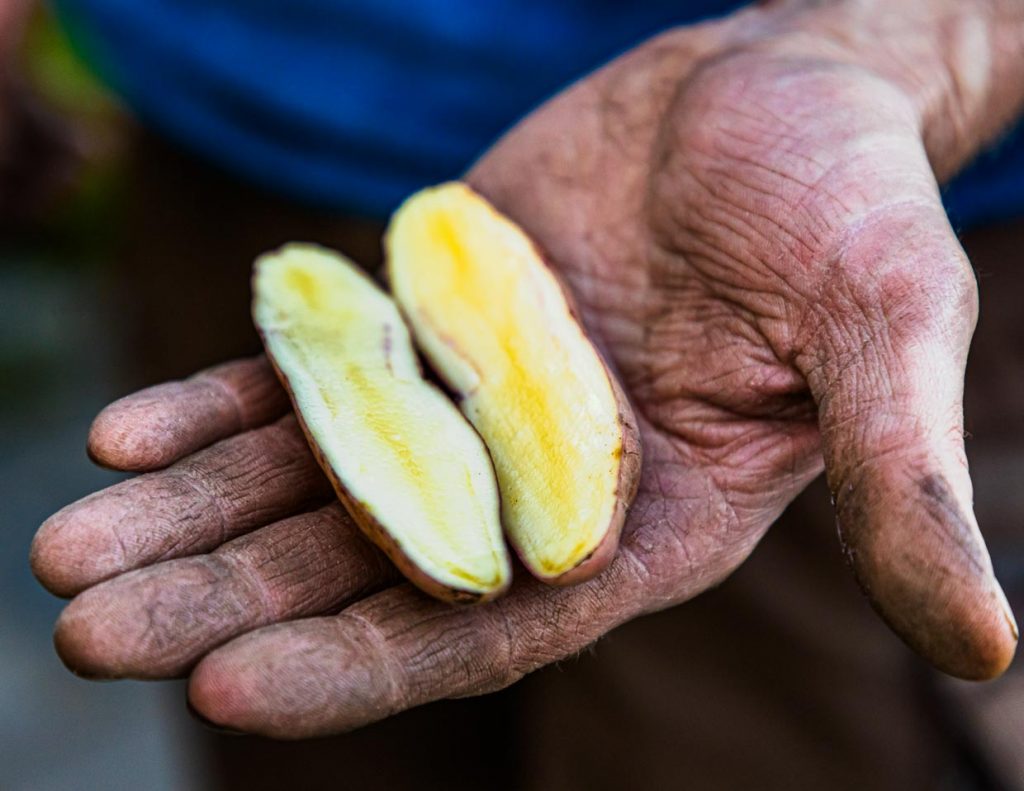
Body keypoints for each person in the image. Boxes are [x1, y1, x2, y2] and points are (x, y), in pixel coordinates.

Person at [14, 0, 1024, 787]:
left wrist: (916, 35)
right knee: (298, 734)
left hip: (739, 247)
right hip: (229, 108)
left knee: (739, 740)